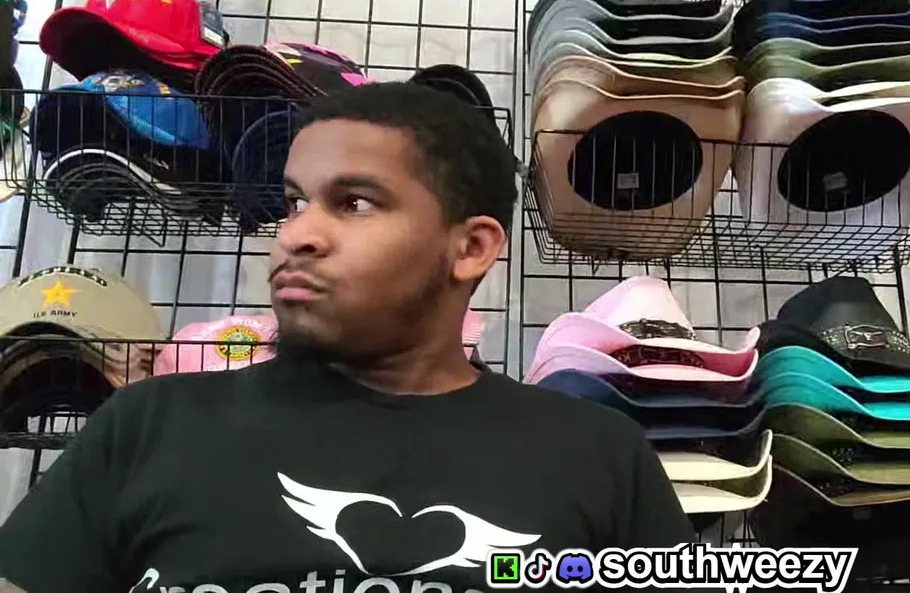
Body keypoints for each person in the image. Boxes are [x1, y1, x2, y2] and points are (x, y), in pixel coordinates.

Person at [0, 82, 695, 593]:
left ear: (471, 248)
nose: (296, 234)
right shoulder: (150, 425)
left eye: (354, 203)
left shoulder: (595, 454)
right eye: (293, 202)